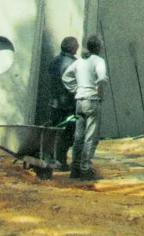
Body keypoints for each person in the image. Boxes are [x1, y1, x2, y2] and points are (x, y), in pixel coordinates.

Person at [62, 34, 108, 180]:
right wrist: (98, 90)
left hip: (79, 101)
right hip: (92, 101)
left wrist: (76, 89)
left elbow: (66, 76)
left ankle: (74, 168)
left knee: (78, 136)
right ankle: (86, 169)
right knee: (91, 136)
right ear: (99, 47)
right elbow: (102, 78)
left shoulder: (80, 61)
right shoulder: (99, 61)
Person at [47, 36, 79, 169]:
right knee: (67, 134)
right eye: (76, 45)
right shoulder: (73, 64)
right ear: (72, 48)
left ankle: (52, 158)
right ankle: (61, 161)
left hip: (54, 103)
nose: (78, 46)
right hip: (68, 105)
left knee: (54, 132)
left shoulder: (55, 61)